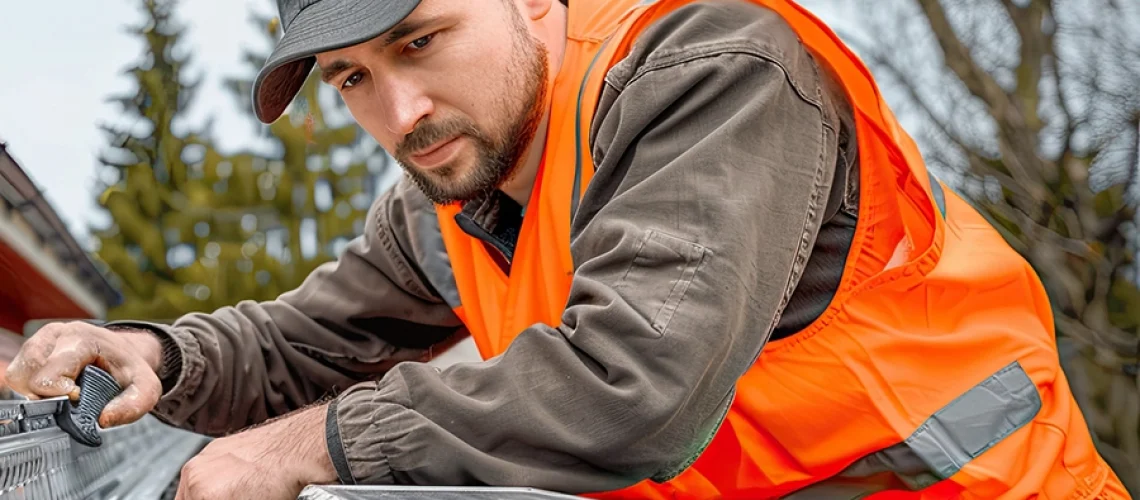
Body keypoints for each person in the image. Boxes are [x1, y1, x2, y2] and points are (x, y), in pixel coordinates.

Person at [7, 0, 1129, 498]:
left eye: (422, 40)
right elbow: (311, 335)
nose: (400, 110)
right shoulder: (451, 191)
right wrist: (158, 350)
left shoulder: (711, 71)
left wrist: (303, 448)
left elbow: (631, 385)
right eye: (353, 80)